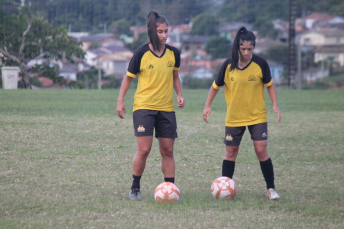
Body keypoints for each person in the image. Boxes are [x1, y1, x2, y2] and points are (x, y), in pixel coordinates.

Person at [203, 27, 281, 200]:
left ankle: (271, 189)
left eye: (250, 49)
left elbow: (269, 85)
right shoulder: (228, 65)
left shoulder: (261, 64)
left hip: (257, 115)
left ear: (254, 48)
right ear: (237, 47)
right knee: (231, 151)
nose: (246, 52)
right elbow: (215, 86)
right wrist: (207, 105)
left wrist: (275, 104)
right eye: (243, 49)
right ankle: (225, 189)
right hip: (234, 116)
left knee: (261, 150)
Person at [116, 11, 185, 201]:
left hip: (166, 109)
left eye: (166, 31)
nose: (164, 35)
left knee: (167, 150)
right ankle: (135, 188)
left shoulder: (174, 53)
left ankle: (170, 189)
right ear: (152, 33)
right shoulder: (141, 53)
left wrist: (179, 94)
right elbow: (128, 78)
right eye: (160, 32)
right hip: (144, 108)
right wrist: (120, 101)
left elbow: (175, 77)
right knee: (144, 149)